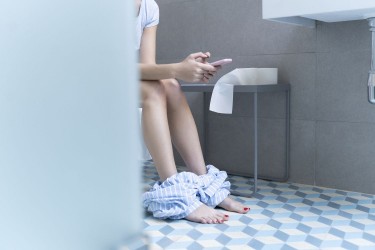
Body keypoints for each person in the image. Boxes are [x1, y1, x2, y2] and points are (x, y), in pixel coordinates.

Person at [136, 0, 250, 224]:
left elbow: (147, 67)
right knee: (155, 90)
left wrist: (185, 70)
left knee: (170, 84)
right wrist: (178, 69)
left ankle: (204, 183)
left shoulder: (150, 7)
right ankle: (175, 193)